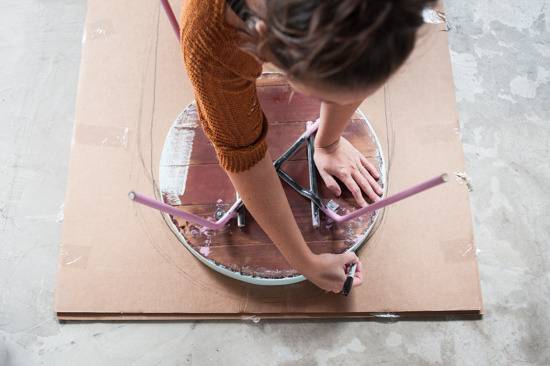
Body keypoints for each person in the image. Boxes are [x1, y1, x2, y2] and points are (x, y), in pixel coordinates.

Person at [180, 0, 434, 293]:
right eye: (328, 94)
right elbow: (242, 155)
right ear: (273, 49)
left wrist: (329, 142)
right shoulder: (213, 42)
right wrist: (305, 262)